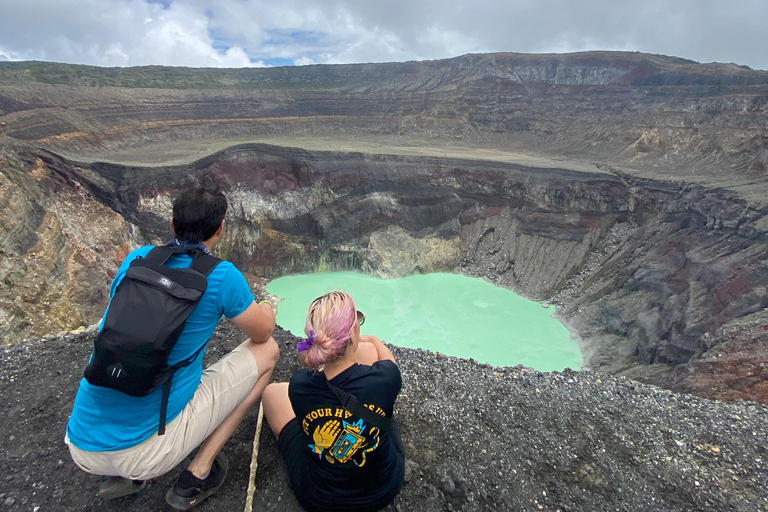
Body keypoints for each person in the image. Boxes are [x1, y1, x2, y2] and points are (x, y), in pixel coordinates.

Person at [65, 187, 279, 510]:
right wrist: (266, 306)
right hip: (147, 454)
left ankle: (117, 474)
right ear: (220, 228)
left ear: (171, 225)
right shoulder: (221, 276)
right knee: (270, 352)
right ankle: (198, 474)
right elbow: (262, 333)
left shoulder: (135, 260)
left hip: (81, 445)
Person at [262, 291, 404, 512]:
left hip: (319, 497)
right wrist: (373, 339)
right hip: (382, 488)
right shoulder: (385, 379)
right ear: (354, 333)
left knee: (272, 393)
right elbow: (388, 361)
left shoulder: (300, 385)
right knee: (368, 351)